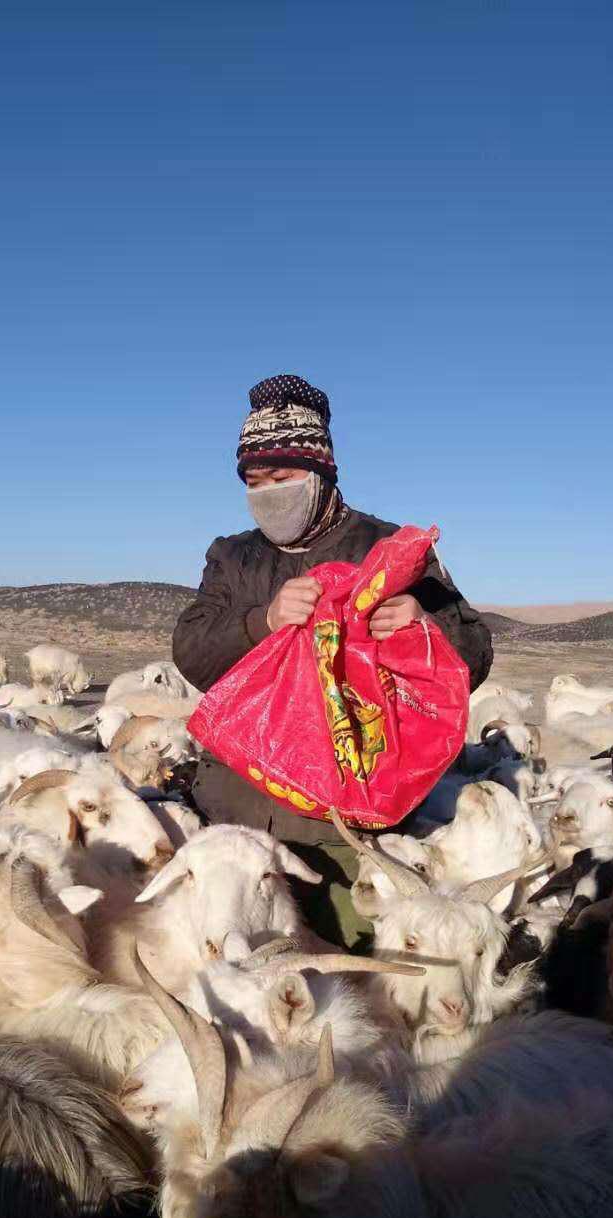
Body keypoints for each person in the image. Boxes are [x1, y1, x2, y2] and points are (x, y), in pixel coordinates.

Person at [173, 373, 493, 948]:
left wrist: (421, 623)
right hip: (236, 814)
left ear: (321, 472)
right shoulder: (232, 556)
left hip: (341, 822)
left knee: (349, 971)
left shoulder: (391, 549)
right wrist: (262, 622)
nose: (266, 491)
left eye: (281, 476)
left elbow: (473, 650)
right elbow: (192, 649)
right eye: (253, 480)